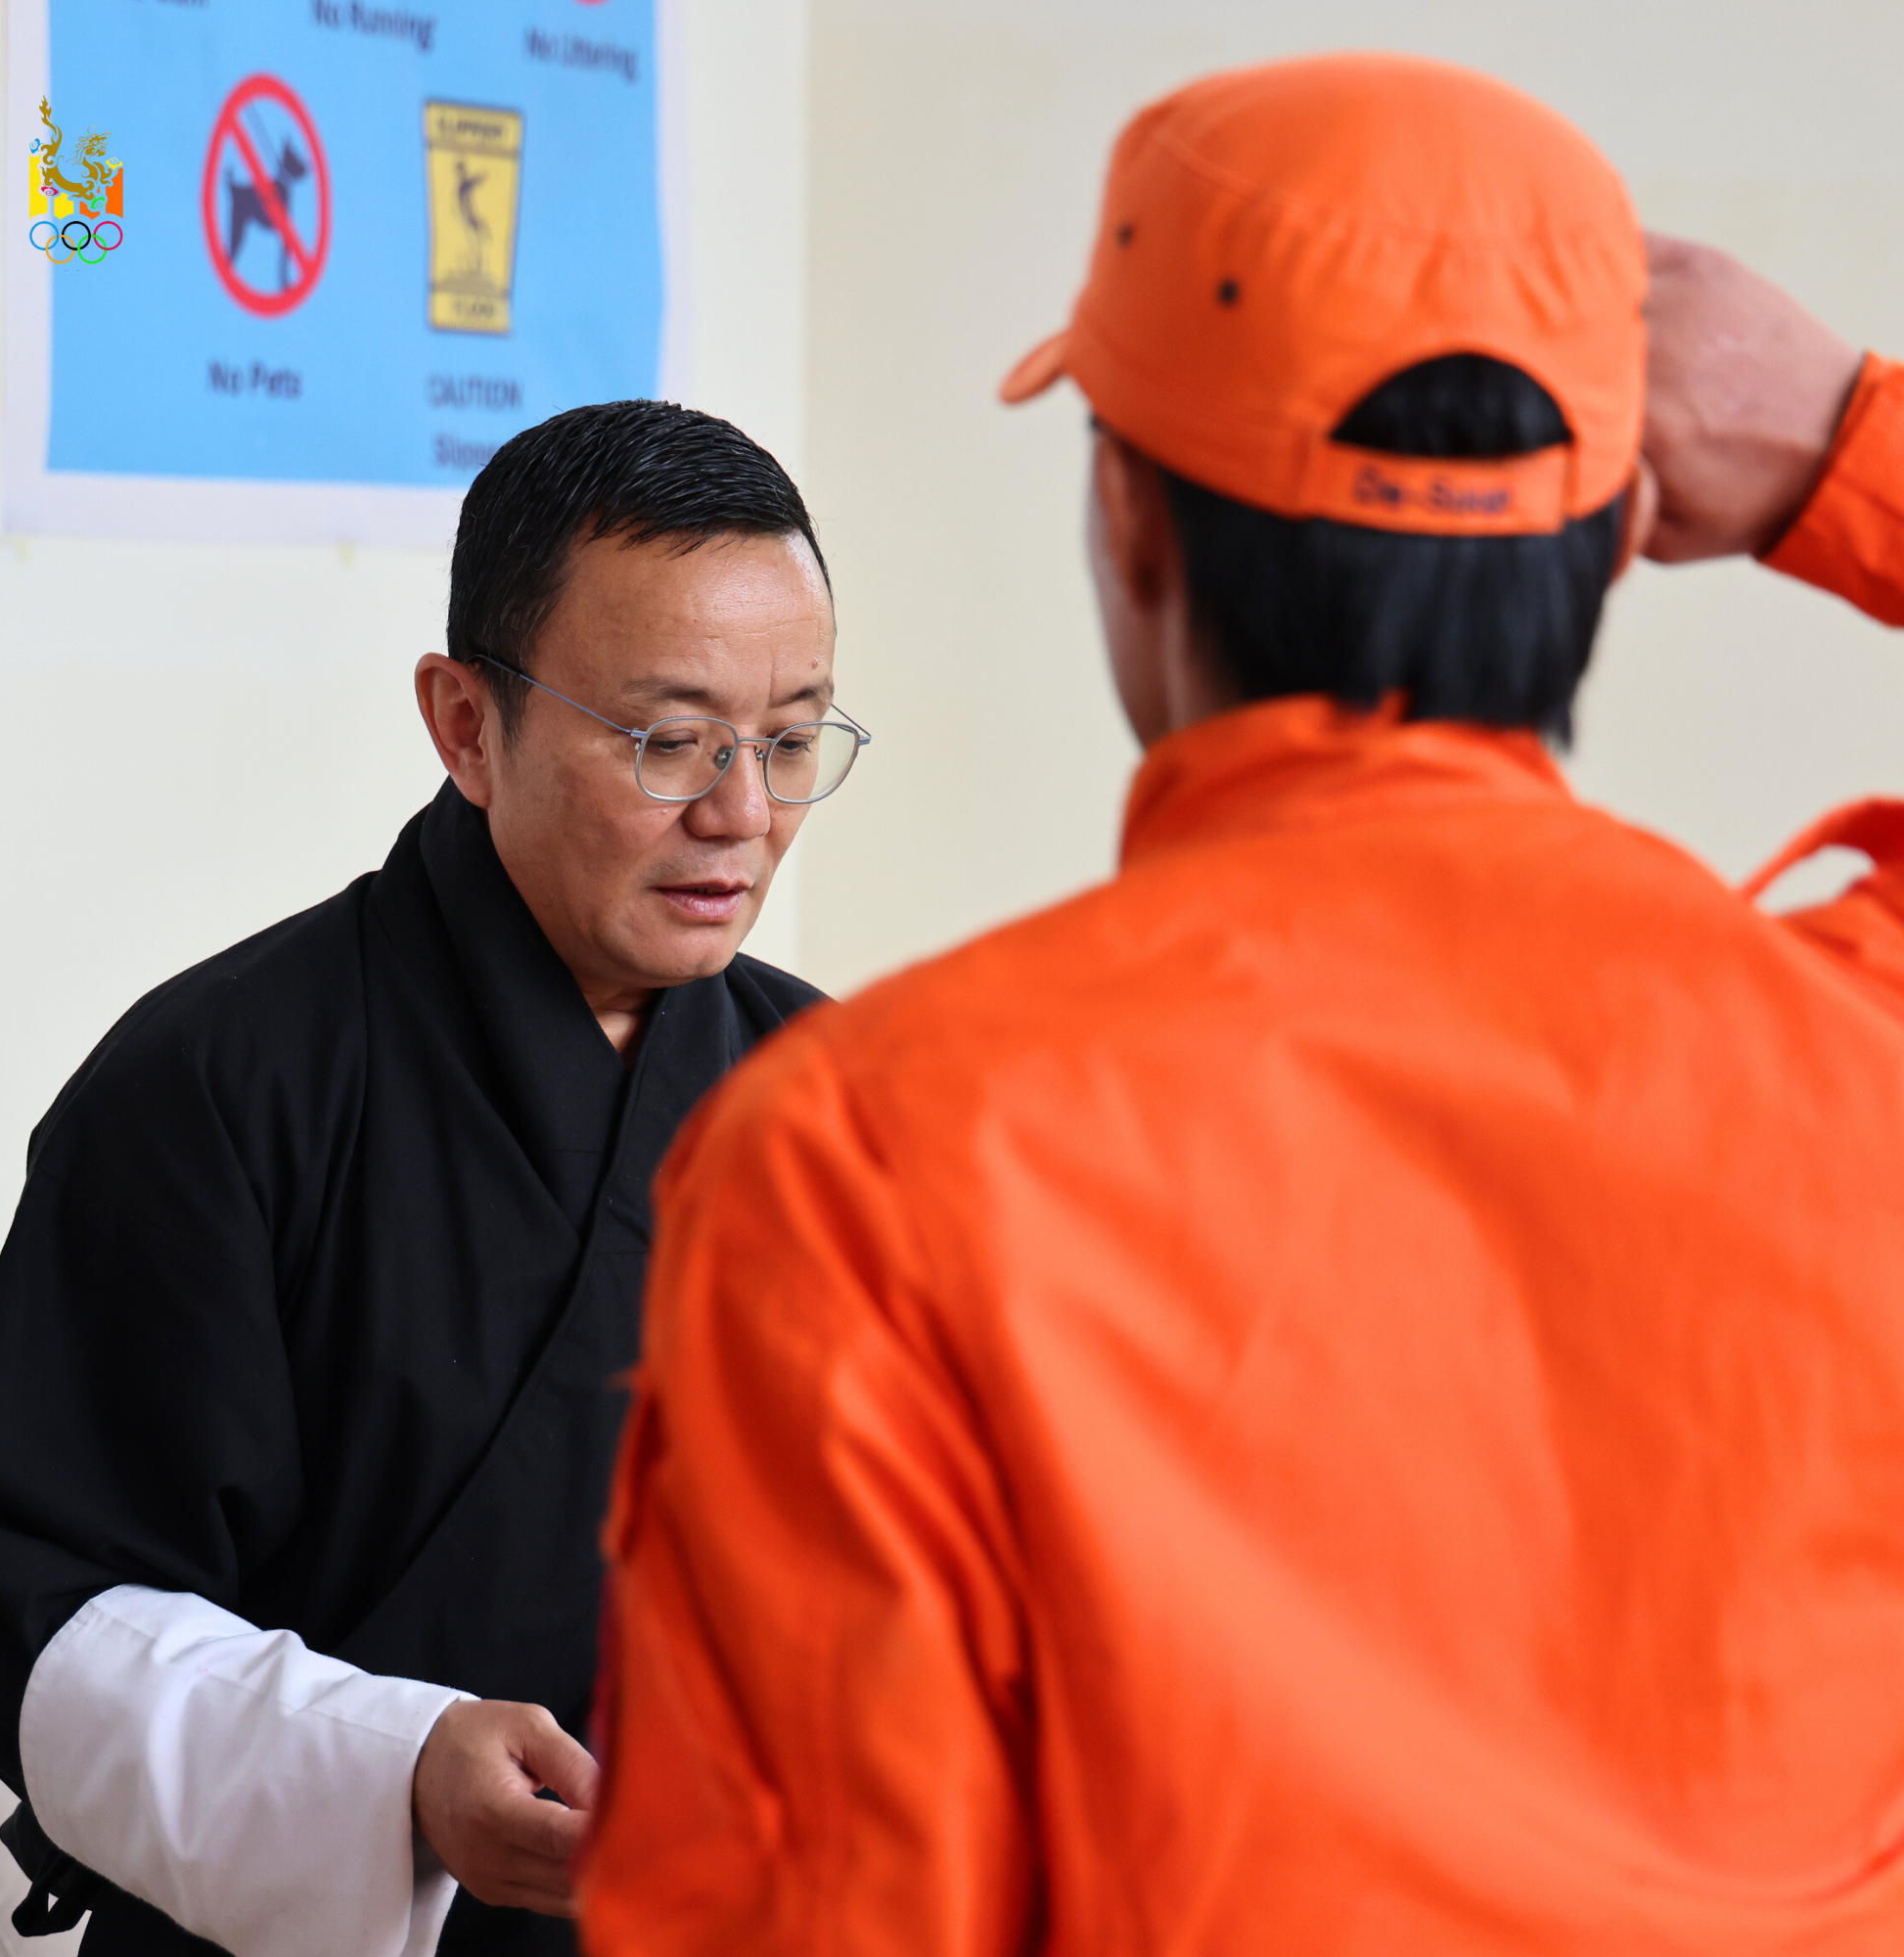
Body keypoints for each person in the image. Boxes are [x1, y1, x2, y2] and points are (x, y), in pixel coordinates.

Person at [579, 56, 1904, 1956]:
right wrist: (1851, 447)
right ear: (1616, 533)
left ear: (1125, 523)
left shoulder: (862, 1159)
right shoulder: (1864, 1064)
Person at [0, 400, 869, 1957]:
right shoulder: (221, 1084)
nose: (741, 814)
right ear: (464, 724)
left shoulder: (847, 1104)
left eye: (788, 742)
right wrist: (392, 1776)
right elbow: (42, 1612)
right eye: (668, 739)